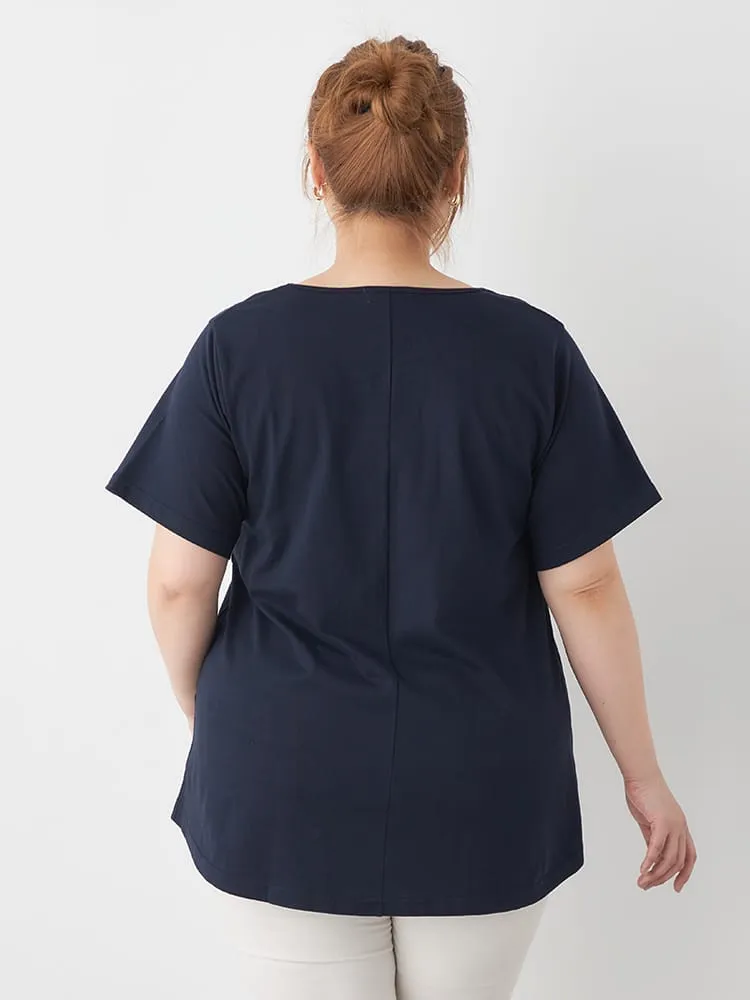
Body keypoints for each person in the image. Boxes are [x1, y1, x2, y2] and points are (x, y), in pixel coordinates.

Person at [105, 34, 697, 1000]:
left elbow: (178, 582)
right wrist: (644, 775)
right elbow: (586, 585)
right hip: (481, 784)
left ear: (316, 170)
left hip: (283, 773)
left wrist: (219, 720)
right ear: (455, 174)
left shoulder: (235, 350)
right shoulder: (533, 353)